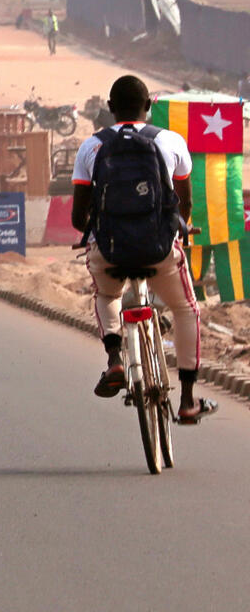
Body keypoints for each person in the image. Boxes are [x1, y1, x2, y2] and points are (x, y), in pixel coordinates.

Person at [72, 74, 212, 425]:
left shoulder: (91, 147)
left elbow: (79, 216)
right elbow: (184, 203)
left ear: (109, 109)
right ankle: (188, 399)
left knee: (106, 296)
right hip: (159, 250)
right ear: (148, 106)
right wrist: (177, 228)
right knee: (185, 308)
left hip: (110, 251)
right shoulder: (171, 141)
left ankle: (115, 359)